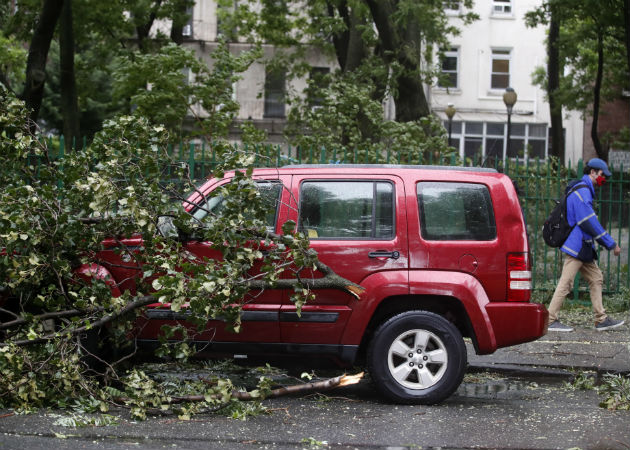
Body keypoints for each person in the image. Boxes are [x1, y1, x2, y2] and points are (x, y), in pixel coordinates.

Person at [547, 158, 625, 332]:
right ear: (593, 172)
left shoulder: (584, 190)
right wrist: (611, 244)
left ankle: (601, 319)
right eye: (602, 175)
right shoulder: (582, 192)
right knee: (566, 283)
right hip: (577, 246)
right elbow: (588, 222)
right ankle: (550, 319)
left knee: (596, 278)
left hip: (584, 246)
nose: (603, 179)